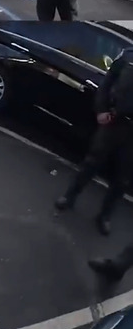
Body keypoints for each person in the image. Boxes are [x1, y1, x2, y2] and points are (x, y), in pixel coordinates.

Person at [54, 49, 133, 235]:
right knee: (92, 162)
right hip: (115, 121)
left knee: (123, 178)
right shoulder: (128, 56)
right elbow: (106, 84)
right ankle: (69, 196)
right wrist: (101, 109)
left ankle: (105, 216)